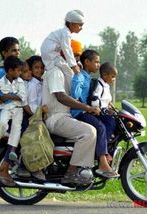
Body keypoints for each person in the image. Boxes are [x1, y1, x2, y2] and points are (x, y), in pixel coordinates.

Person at [42, 54, 100, 185]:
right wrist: (87, 108)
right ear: (63, 53)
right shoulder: (55, 71)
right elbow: (61, 97)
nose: (77, 59)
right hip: (56, 118)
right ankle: (71, 172)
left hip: (64, 116)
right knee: (89, 132)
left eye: (78, 56)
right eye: (74, 55)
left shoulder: (67, 72)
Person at [71, 50, 119, 179]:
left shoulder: (88, 78)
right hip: (80, 112)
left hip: (88, 110)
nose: (98, 65)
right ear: (87, 62)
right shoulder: (80, 76)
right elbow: (76, 96)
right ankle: (102, 162)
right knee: (100, 127)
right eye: (96, 62)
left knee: (109, 122)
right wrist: (89, 108)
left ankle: (105, 152)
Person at [0, 56, 26, 186]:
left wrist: (8, 96)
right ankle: (4, 158)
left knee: (16, 132)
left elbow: (21, 97)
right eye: (13, 50)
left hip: (17, 110)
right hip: (6, 110)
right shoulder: (0, 77)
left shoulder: (18, 80)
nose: (21, 73)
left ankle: (12, 153)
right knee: (9, 128)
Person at [40, 9, 84, 92]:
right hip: (52, 55)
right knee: (69, 72)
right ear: (72, 24)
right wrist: (74, 67)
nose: (81, 28)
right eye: (80, 25)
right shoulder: (66, 33)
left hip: (51, 54)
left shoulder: (64, 32)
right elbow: (67, 49)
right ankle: (75, 93)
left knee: (67, 70)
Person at [0, 37, 20, 123]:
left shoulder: (13, 71)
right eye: (14, 50)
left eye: (18, 50)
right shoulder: (1, 72)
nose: (18, 53)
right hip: (1, 113)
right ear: (4, 53)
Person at [91, 62, 118, 149]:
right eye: (113, 76)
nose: (114, 79)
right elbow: (95, 98)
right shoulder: (99, 85)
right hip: (99, 112)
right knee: (110, 122)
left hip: (105, 111)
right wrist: (102, 109)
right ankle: (103, 146)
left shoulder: (106, 85)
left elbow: (108, 100)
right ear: (105, 75)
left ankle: (111, 144)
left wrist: (114, 108)